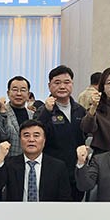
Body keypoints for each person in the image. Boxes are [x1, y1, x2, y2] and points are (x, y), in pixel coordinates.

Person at [33, 66, 87, 201]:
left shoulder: (80, 110)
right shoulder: (43, 111)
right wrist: (47, 112)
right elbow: (36, 134)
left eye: (67, 82)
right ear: (49, 86)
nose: (62, 86)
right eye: (57, 83)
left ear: (72, 84)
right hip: (52, 172)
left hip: (75, 171)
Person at [0, 120, 72, 202]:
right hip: (16, 209)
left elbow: (65, 199)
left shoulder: (58, 167)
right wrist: (0, 159)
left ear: (44, 140)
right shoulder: (9, 164)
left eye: (36, 136)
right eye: (26, 136)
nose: (31, 139)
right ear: (20, 140)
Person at [0, 75, 36, 158]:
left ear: (28, 94)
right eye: (15, 90)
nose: (18, 93)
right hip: (7, 160)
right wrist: (3, 112)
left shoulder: (33, 115)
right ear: (8, 93)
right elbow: (2, 136)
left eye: (23, 90)